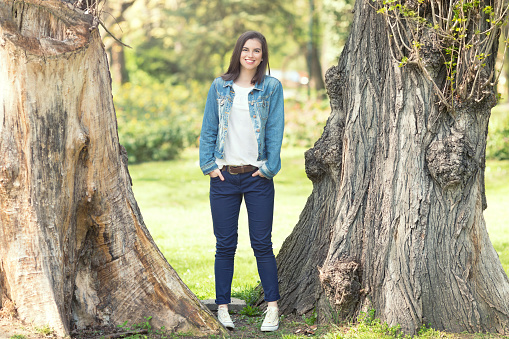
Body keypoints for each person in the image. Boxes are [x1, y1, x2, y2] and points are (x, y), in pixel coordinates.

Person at [199, 30, 284, 332]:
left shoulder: (271, 87)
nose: (250, 55)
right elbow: (209, 127)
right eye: (246, 49)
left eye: (257, 51)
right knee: (225, 245)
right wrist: (209, 166)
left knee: (262, 244)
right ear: (238, 53)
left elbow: (275, 130)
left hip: (257, 177)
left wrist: (269, 168)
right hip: (223, 177)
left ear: (263, 56)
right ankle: (222, 308)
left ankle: (273, 309)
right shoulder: (220, 86)